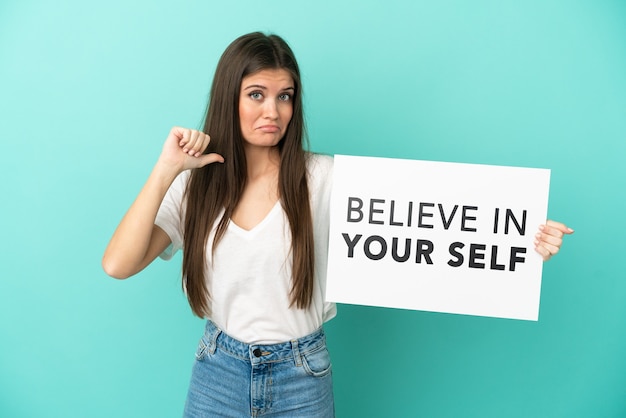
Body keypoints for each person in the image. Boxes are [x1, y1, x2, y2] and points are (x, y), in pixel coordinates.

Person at [102, 32, 573, 417]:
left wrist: (521, 235)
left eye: (285, 96)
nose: (273, 111)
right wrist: (167, 169)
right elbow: (118, 264)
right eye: (256, 95)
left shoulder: (325, 178)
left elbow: (433, 223)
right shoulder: (196, 187)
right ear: (230, 98)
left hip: (300, 376)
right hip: (217, 371)